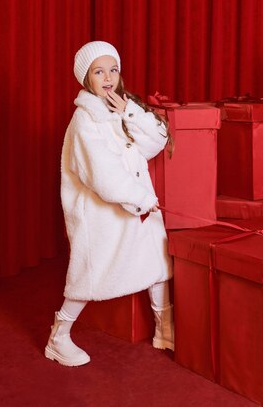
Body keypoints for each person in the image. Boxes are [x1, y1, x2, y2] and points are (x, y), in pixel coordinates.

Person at [45, 41, 173, 367]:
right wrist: (142, 199)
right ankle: (59, 337)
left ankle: (165, 329)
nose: (108, 78)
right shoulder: (85, 120)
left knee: (157, 263)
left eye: (113, 69)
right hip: (102, 214)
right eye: (99, 71)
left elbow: (155, 141)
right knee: (90, 275)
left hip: (135, 208)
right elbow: (102, 175)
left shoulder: (116, 110)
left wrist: (128, 111)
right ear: (86, 77)